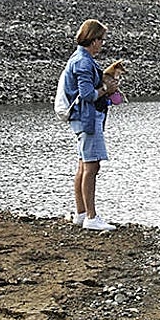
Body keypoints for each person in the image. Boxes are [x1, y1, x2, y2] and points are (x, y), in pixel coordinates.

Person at [61, 19, 120, 232]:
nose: (102, 44)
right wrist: (106, 90)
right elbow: (86, 94)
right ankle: (91, 217)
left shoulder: (78, 59)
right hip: (87, 119)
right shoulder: (84, 62)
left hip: (82, 118)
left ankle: (81, 213)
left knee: (83, 165)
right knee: (92, 166)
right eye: (101, 40)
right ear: (93, 40)